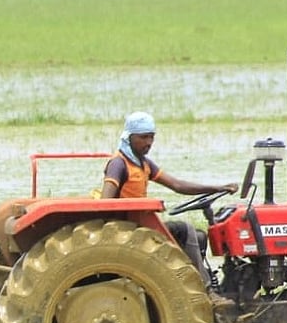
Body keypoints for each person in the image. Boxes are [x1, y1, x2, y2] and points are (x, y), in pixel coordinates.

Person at [99, 111, 238, 310]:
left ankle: (194, 287)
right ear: (129, 137)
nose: (148, 142)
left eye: (151, 137)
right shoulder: (119, 164)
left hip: (139, 224)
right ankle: (206, 291)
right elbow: (105, 201)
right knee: (186, 230)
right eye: (143, 137)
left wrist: (217, 188)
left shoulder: (143, 163)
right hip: (132, 228)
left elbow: (177, 185)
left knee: (199, 237)